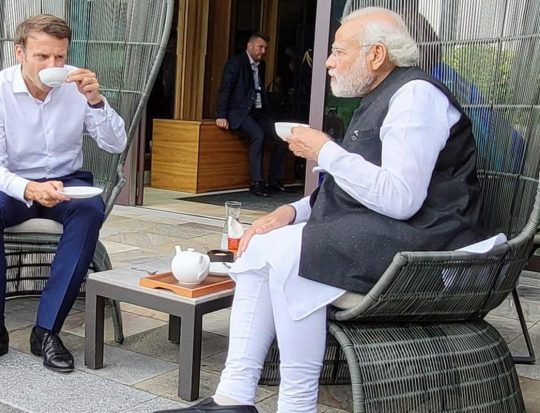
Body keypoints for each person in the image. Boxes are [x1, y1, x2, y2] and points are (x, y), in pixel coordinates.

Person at [156, 6, 481, 413]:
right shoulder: (382, 95)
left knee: (295, 255)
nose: (327, 61)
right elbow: (357, 189)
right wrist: (290, 212)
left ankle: (297, 406)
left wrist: (325, 150)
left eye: (338, 51)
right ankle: (234, 397)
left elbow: (400, 199)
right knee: (263, 243)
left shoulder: (415, 96)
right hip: (389, 235)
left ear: (376, 55)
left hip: (431, 247)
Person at [0, 14, 127, 375]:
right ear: (20, 52)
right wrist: (29, 188)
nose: (54, 67)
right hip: (14, 185)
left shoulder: (77, 85)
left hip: (67, 181)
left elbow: (115, 144)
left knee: (89, 209)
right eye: (42, 57)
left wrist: (96, 100)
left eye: (60, 58)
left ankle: (47, 331)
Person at [216, 32, 292, 197]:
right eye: (260, 47)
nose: (263, 51)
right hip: (240, 112)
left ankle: (274, 180)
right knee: (258, 136)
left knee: (281, 138)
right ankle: (257, 182)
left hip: (259, 112)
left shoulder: (261, 65)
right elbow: (225, 89)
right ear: (249, 46)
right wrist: (221, 115)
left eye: (265, 48)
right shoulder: (236, 63)